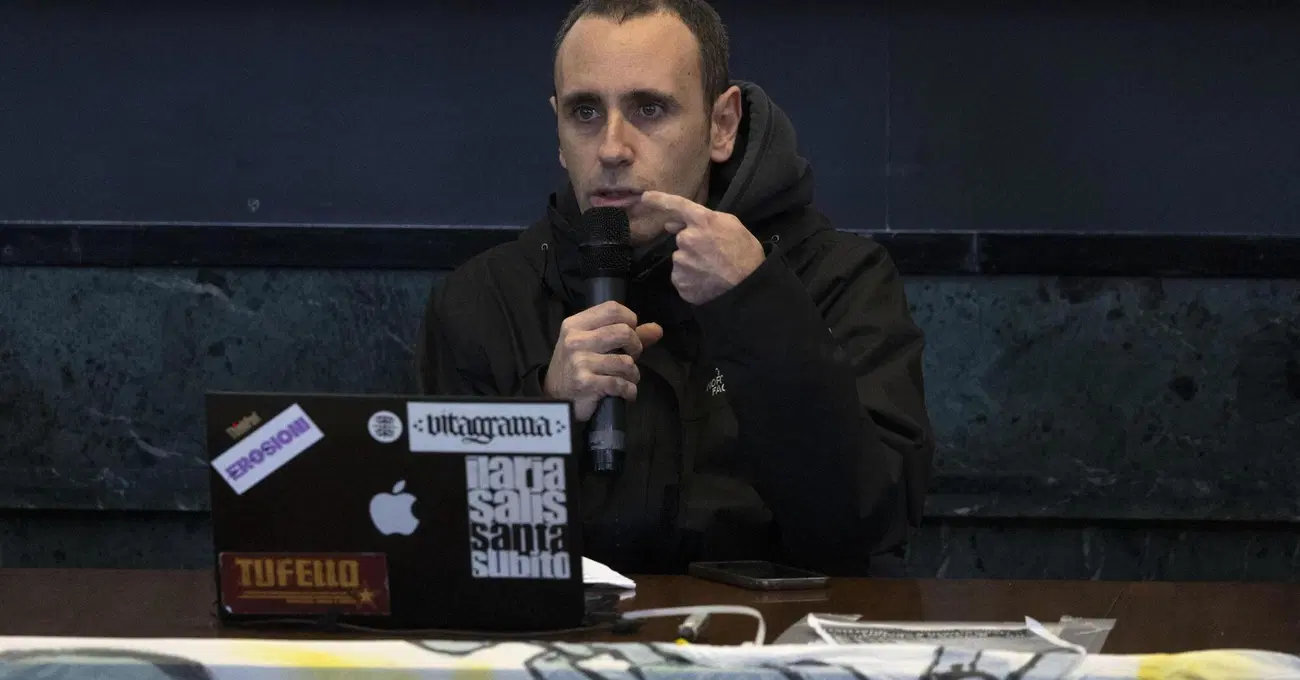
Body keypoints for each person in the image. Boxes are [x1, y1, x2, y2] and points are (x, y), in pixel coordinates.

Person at [418, 0, 933, 576]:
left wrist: (758, 305)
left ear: (722, 125)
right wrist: (545, 415)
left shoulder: (838, 278)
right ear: (558, 129)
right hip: (568, 626)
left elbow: (869, 519)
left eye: (650, 109)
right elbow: (442, 547)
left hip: (771, 626)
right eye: (585, 111)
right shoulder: (483, 300)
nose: (612, 148)